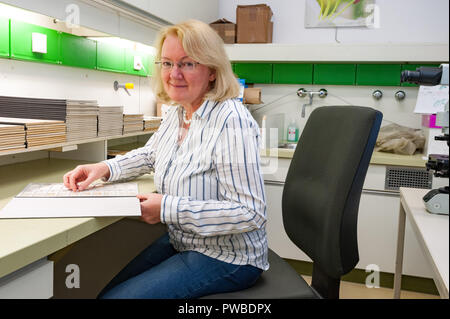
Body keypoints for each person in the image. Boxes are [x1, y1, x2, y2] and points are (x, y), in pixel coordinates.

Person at [63, 19, 268, 299]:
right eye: (167, 63)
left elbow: (250, 213)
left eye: (188, 63)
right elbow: (151, 155)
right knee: (104, 291)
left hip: (229, 256)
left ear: (212, 71)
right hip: (184, 242)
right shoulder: (178, 111)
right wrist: (103, 168)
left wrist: (167, 208)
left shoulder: (231, 121)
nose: (174, 74)